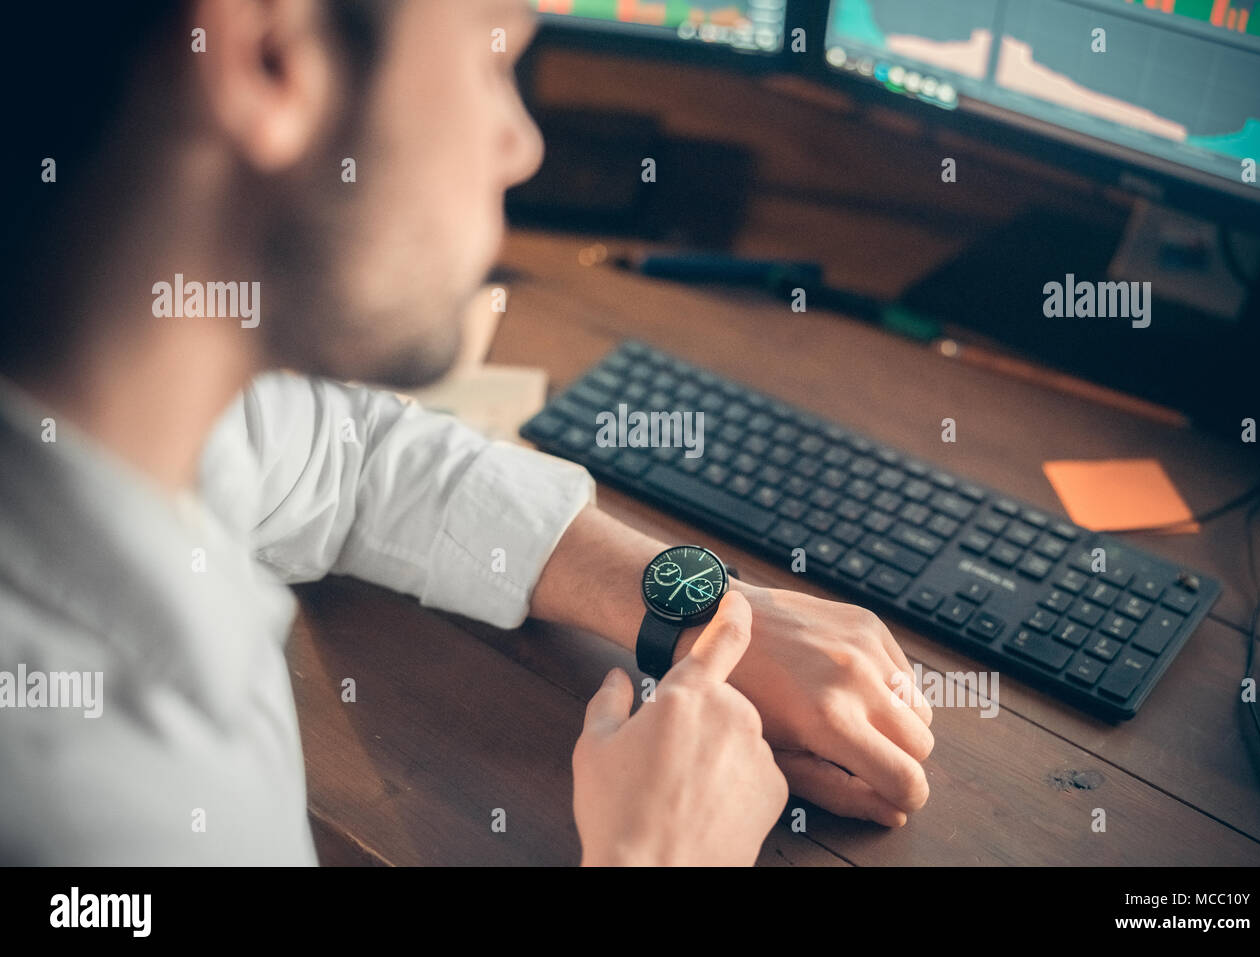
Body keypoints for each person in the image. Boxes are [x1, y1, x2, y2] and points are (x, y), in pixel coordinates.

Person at [0, 0, 932, 866]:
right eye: (494, 57)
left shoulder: (126, 398)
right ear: (267, 57)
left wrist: (699, 611)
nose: (521, 145)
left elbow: (349, 456)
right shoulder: (88, 805)